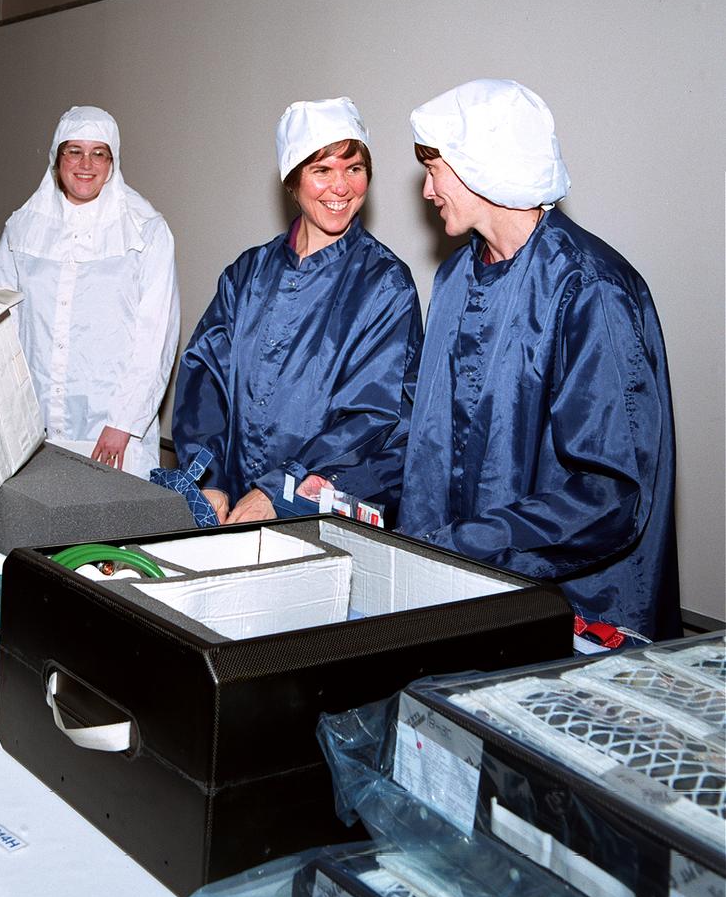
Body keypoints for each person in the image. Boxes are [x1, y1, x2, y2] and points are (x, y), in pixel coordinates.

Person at [398, 78, 680, 641]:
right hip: (459, 594)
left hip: (571, 612)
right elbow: (426, 434)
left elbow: (610, 493)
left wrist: (469, 543)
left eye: (435, 169)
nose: (427, 191)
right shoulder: (454, 278)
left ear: (484, 164)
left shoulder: (589, 286)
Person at [172, 99, 421, 525]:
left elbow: (374, 416)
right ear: (292, 181)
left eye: (354, 169)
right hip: (229, 504)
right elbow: (205, 378)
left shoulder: (385, 284)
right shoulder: (247, 275)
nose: (341, 187)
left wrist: (276, 491)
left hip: (315, 509)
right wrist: (208, 477)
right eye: (322, 170)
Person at [0, 105, 180, 478]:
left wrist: (123, 424)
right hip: (33, 424)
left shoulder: (146, 230)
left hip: (111, 432)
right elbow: (0, 325)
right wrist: (6, 410)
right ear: (56, 158)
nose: (86, 164)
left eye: (99, 153)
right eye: (74, 151)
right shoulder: (21, 228)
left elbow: (156, 335)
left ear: (113, 162)